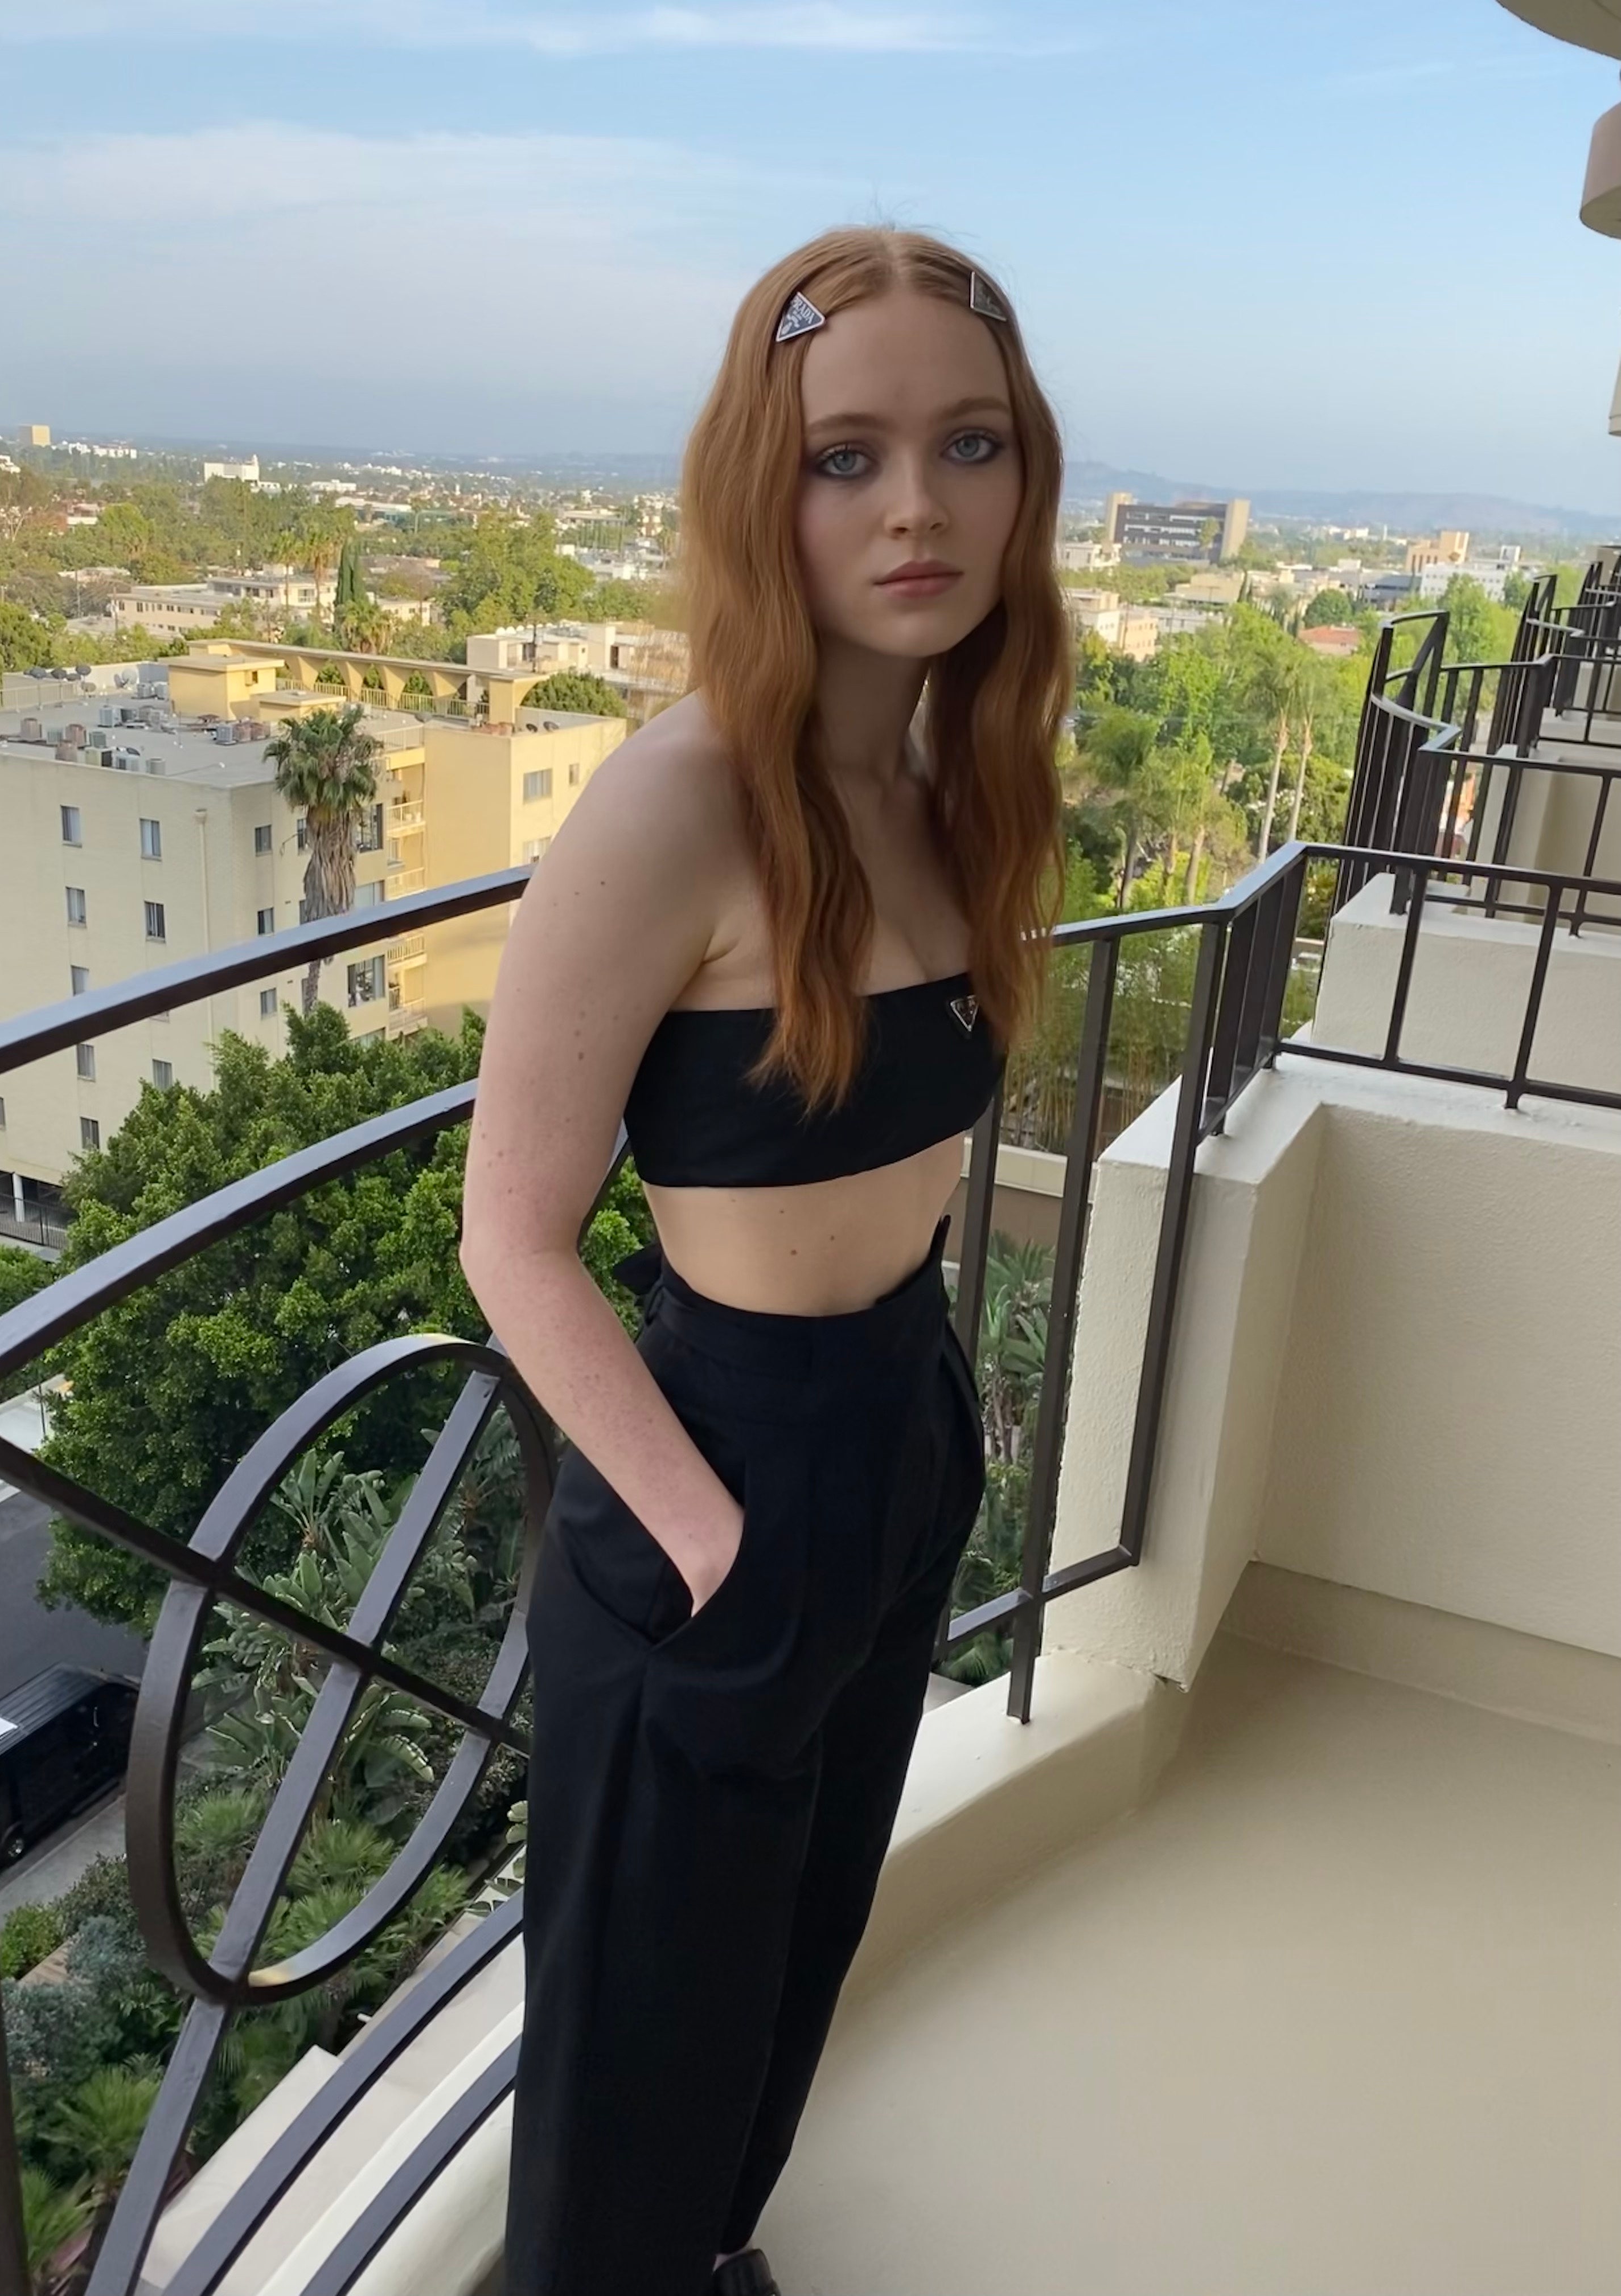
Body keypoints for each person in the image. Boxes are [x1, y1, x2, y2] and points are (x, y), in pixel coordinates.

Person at [458, 224, 1074, 2296]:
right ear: (762, 486)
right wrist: (716, 1535)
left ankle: (715, 2255)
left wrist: (915, 1441)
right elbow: (511, 1236)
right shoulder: (676, 802)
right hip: (716, 1475)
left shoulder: (951, 782)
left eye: (969, 445)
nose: (918, 509)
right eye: (846, 457)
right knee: (635, 2048)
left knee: (790, 1968)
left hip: (895, 1428)